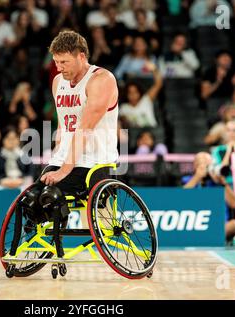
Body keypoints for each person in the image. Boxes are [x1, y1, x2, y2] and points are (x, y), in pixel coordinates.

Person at [15, 30, 119, 258]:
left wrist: (64, 169)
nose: (59, 67)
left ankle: (61, 244)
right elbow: (63, 126)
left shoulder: (102, 80)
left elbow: (85, 129)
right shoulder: (57, 82)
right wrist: (55, 160)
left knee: (51, 194)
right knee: (31, 200)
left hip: (94, 161)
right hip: (66, 157)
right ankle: (46, 246)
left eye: (64, 61)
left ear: (81, 56)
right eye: (56, 62)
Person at [182, 151, 235, 240]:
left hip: (218, 226)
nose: (205, 166)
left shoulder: (219, 182)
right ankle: (206, 237)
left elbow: (234, 204)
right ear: (195, 166)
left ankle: (206, 237)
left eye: (207, 163)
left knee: (234, 225)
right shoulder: (188, 180)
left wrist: (223, 183)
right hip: (195, 225)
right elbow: (179, 198)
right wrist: (197, 177)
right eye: (201, 163)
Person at [119, 63, 163, 128]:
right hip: (134, 136)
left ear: (140, 93)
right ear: (126, 94)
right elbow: (124, 129)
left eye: (135, 92)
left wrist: (154, 69)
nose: (133, 95)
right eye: (130, 92)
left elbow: (158, 84)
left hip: (151, 133)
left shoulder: (146, 100)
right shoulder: (123, 108)